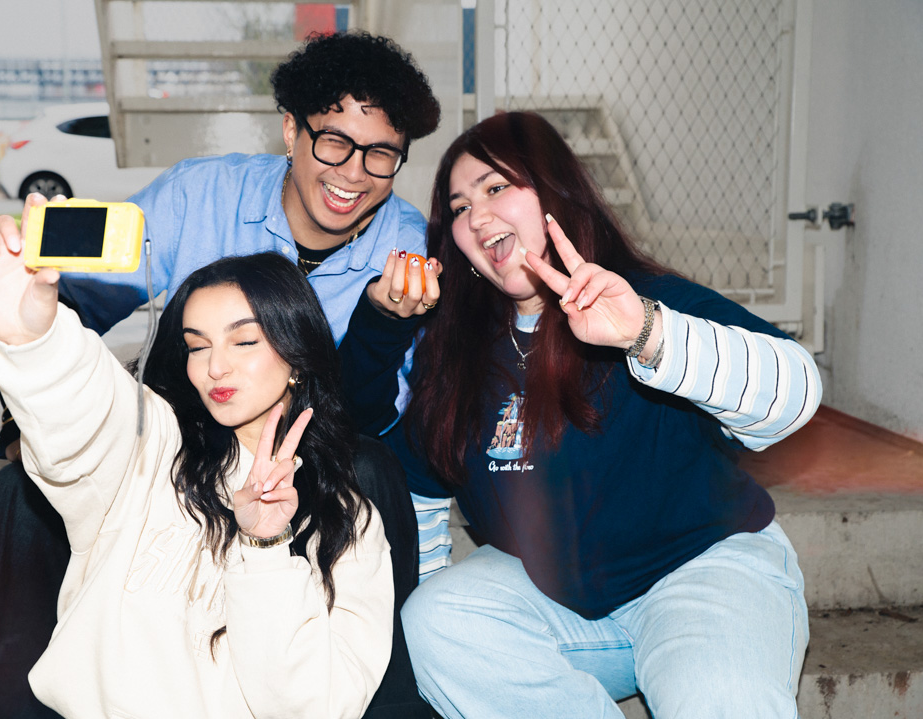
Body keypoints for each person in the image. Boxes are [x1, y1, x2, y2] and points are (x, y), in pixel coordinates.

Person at [0, 31, 440, 719]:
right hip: (171, 442)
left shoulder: (405, 238)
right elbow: (82, 293)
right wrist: (34, 410)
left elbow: (367, 411)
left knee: (370, 469)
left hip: (306, 446)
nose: (353, 172)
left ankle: (382, 693)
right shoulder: (202, 191)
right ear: (291, 129)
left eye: (381, 154)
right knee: (23, 487)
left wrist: (383, 323)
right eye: (334, 141)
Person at [341, 111, 822, 718]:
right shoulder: (460, 351)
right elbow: (418, 482)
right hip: (562, 604)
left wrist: (645, 334)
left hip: (704, 573)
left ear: (555, 192)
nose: (477, 216)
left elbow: (796, 396)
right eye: (459, 208)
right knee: (435, 618)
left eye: (496, 187)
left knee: (719, 701)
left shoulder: (642, 299)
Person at [0, 246, 393, 718]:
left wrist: (264, 548)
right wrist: (34, 342)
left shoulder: (350, 522)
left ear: (296, 355)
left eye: (244, 341)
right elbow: (85, 418)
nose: (215, 367)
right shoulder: (153, 447)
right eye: (197, 345)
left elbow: (316, 707)